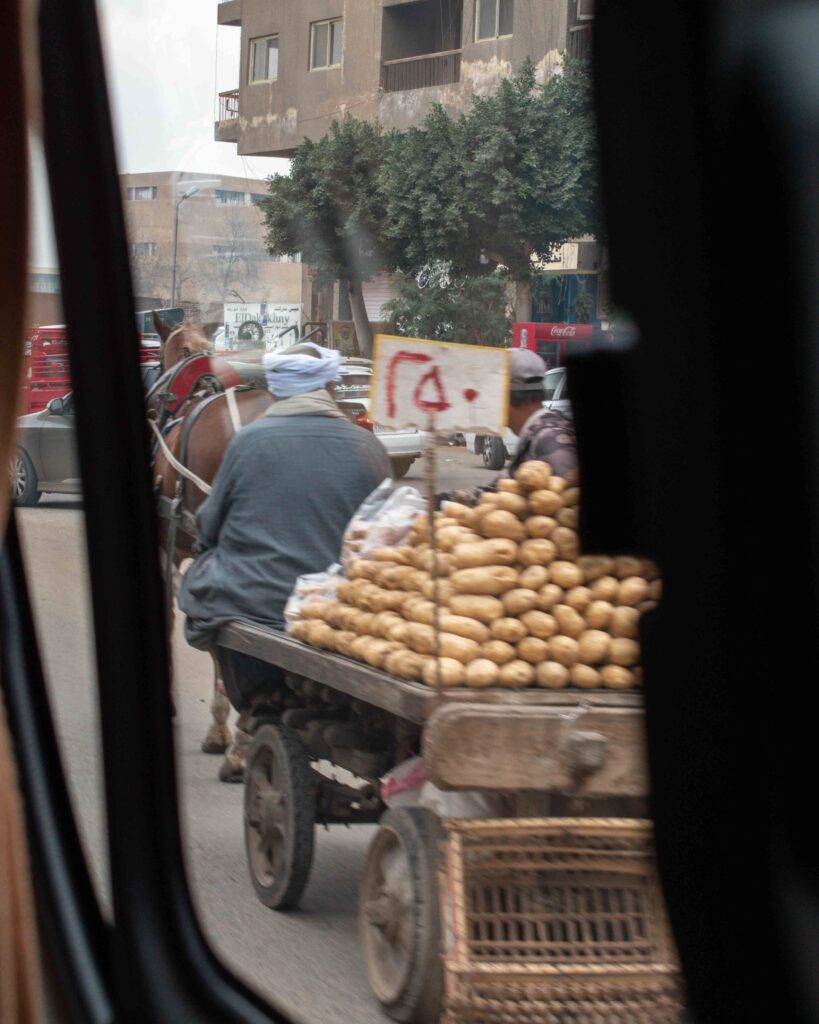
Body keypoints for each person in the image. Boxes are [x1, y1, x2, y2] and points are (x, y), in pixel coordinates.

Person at [178, 341, 390, 711]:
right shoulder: (369, 446)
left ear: (276, 390)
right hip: (341, 608)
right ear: (329, 388)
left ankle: (242, 693)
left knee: (200, 574)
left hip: (255, 601)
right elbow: (385, 538)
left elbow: (208, 525)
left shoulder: (248, 442)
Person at [442, 348, 577, 506]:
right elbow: (497, 492)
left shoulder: (550, 443)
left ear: (503, 396)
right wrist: (437, 502)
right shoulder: (534, 434)